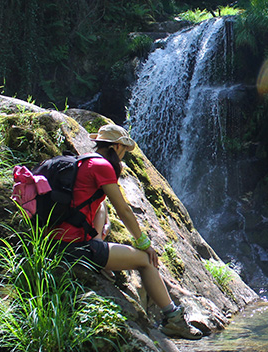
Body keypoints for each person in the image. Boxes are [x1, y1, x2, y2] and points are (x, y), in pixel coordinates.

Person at [53, 123, 202, 340]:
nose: (124, 155)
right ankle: (174, 320)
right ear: (115, 147)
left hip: (56, 241)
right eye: (123, 149)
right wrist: (143, 243)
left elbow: (99, 204)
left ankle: (98, 251)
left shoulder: (84, 161)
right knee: (145, 260)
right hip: (73, 248)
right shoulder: (102, 166)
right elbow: (123, 209)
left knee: (101, 204)